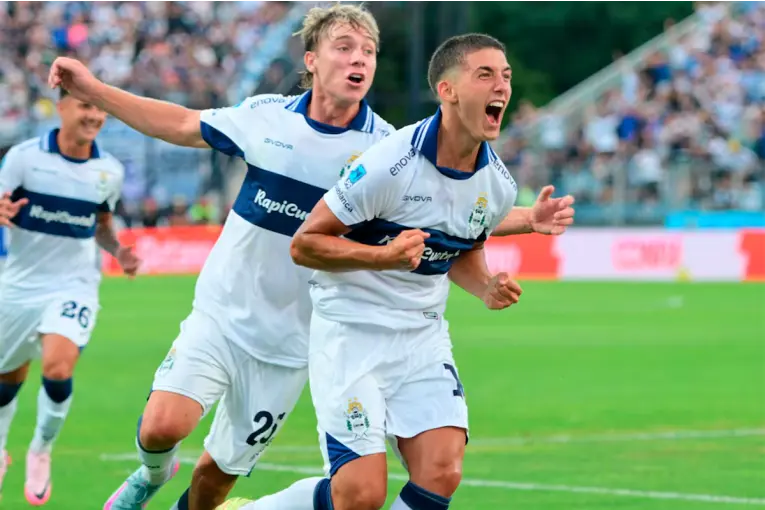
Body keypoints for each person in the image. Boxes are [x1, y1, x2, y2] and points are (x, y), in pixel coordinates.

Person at [49, 5, 393, 510]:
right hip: (222, 318)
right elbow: (180, 123)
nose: (358, 58)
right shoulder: (267, 116)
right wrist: (94, 89)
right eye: (344, 47)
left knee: (214, 480)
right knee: (161, 427)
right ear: (311, 60)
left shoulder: (386, 151)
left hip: (292, 346)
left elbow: (441, 207)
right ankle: (151, 475)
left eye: (368, 51)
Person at [221, 33, 569, 510]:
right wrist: (382, 257)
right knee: (360, 496)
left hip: (422, 339)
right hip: (351, 334)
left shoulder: (498, 185)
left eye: (505, 77)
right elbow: (306, 243)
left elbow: (463, 248)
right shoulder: (390, 162)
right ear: (447, 90)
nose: (501, 87)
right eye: (485, 75)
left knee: (441, 473)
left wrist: (486, 285)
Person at [0, 89, 137, 505]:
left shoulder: (108, 170)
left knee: (58, 368)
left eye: (100, 108)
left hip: (74, 285)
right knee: (7, 383)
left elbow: (102, 224)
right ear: (61, 107)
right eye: (85, 106)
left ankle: (40, 450)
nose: (94, 115)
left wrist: (119, 251)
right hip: (19, 287)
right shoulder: (24, 158)